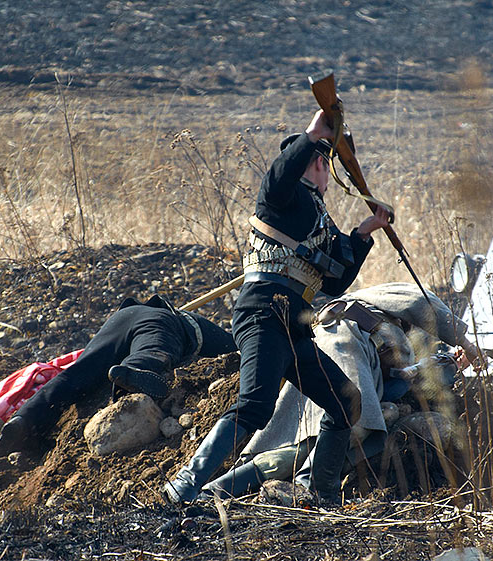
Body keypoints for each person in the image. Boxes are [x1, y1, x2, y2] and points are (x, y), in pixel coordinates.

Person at [163, 110, 391, 504]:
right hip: (263, 314)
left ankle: (321, 494)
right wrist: (311, 135)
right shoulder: (282, 196)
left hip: (294, 327)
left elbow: (335, 280)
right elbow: (278, 177)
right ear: (318, 163)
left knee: (346, 402)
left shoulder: (319, 218)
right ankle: (184, 485)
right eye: (325, 163)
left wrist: (363, 233)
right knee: (255, 406)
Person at [197, 282, 478, 500]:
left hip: (320, 350)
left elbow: (396, 383)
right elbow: (421, 303)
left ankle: (213, 491)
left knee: (301, 441)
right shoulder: (397, 294)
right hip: (345, 347)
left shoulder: (382, 330)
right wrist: (467, 343)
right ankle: (309, 487)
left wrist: (446, 364)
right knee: (357, 423)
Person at [0, 294, 237, 457]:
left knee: (77, 374)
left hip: (117, 321)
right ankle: (137, 368)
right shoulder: (179, 321)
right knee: (154, 349)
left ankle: (25, 420)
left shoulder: (129, 315)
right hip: (163, 323)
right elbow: (243, 354)